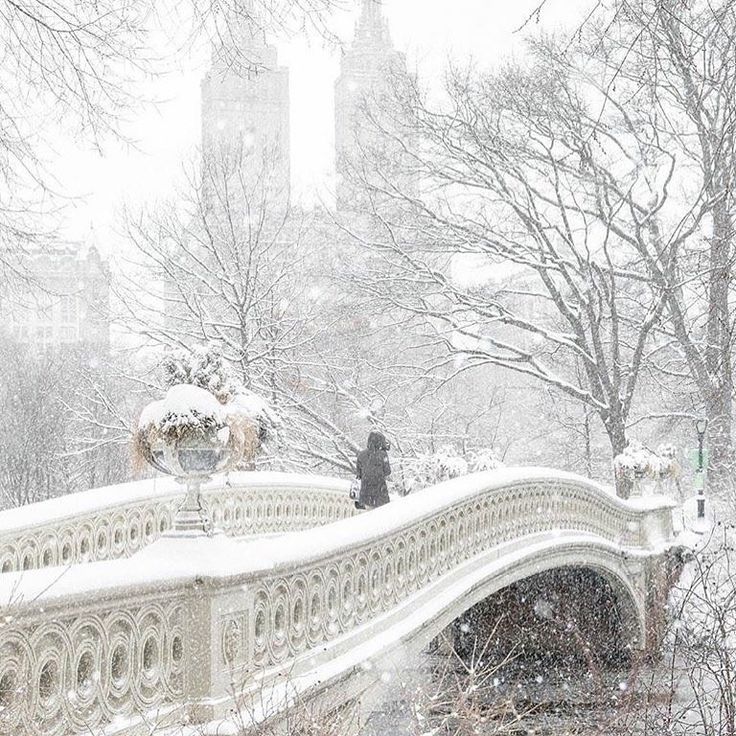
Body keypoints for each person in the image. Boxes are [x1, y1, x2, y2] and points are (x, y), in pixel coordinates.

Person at [355, 431, 391, 510]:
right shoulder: (383, 455)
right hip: (380, 492)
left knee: (368, 515)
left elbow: (358, 473)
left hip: (366, 493)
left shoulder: (361, 455)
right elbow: (387, 471)